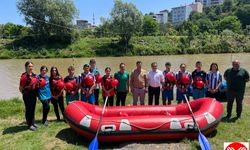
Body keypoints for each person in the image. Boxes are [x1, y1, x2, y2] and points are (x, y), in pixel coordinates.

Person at [19, 61, 38, 131]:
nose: (30, 68)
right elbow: (20, 88)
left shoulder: (34, 75)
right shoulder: (24, 77)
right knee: (28, 110)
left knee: (33, 109)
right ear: (26, 67)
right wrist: (25, 94)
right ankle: (29, 124)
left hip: (34, 94)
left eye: (31, 66)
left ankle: (33, 123)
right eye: (29, 66)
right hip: (27, 95)